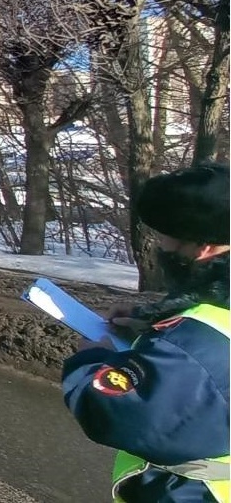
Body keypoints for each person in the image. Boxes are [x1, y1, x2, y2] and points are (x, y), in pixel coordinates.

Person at [62, 163, 229, 503]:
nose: (160, 245)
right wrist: (154, 318)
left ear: (204, 247)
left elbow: (119, 411)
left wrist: (91, 358)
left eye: (167, 236)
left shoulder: (193, 340)